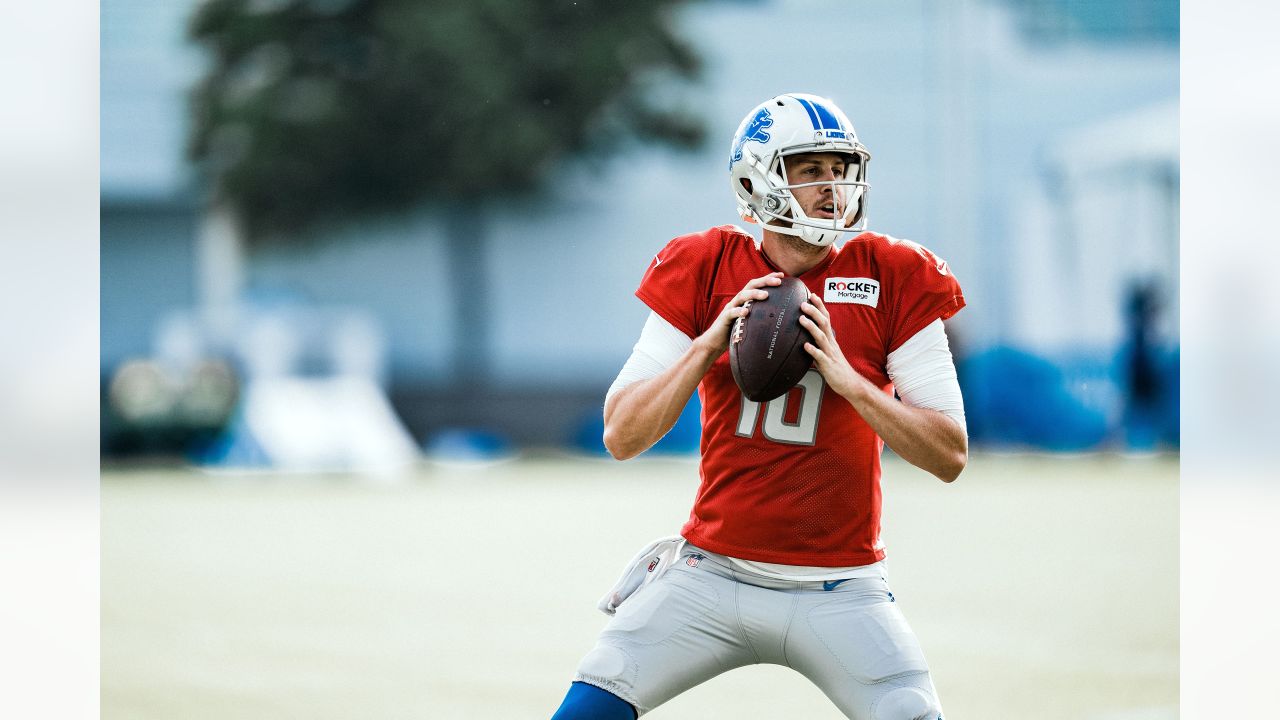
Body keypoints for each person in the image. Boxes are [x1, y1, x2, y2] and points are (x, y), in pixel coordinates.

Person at [550, 92, 967, 720]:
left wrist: (853, 384)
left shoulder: (894, 272)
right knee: (587, 708)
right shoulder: (706, 265)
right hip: (710, 575)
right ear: (759, 180)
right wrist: (708, 342)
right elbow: (621, 435)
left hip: (840, 587)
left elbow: (949, 453)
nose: (833, 187)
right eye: (810, 171)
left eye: (840, 168)